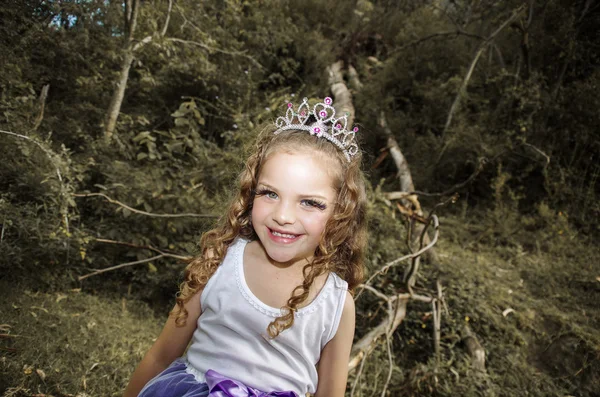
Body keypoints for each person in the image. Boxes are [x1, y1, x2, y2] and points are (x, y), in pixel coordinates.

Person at [123, 97, 368, 397]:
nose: (283, 216)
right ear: (251, 192)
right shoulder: (220, 259)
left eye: (309, 202)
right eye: (269, 194)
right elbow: (160, 356)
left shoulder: (336, 305)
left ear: (340, 212)